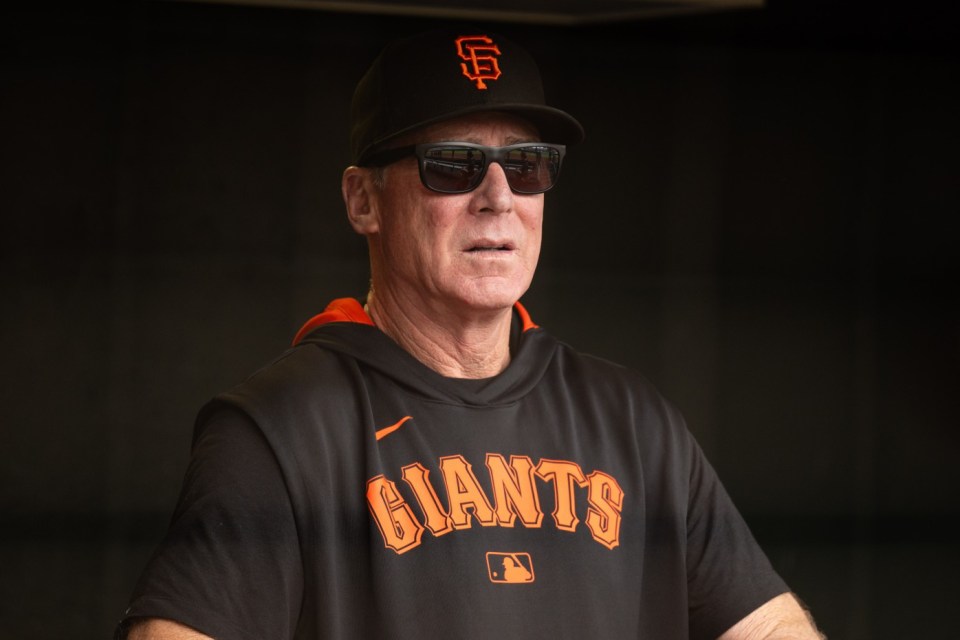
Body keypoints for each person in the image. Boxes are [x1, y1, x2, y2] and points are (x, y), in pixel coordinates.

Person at [117, 29, 823, 640]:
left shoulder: (632, 420)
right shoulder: (280, 430)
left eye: (526, 165)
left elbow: (768, 626)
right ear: (363, 200)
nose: (499, 197)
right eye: (452, 164)